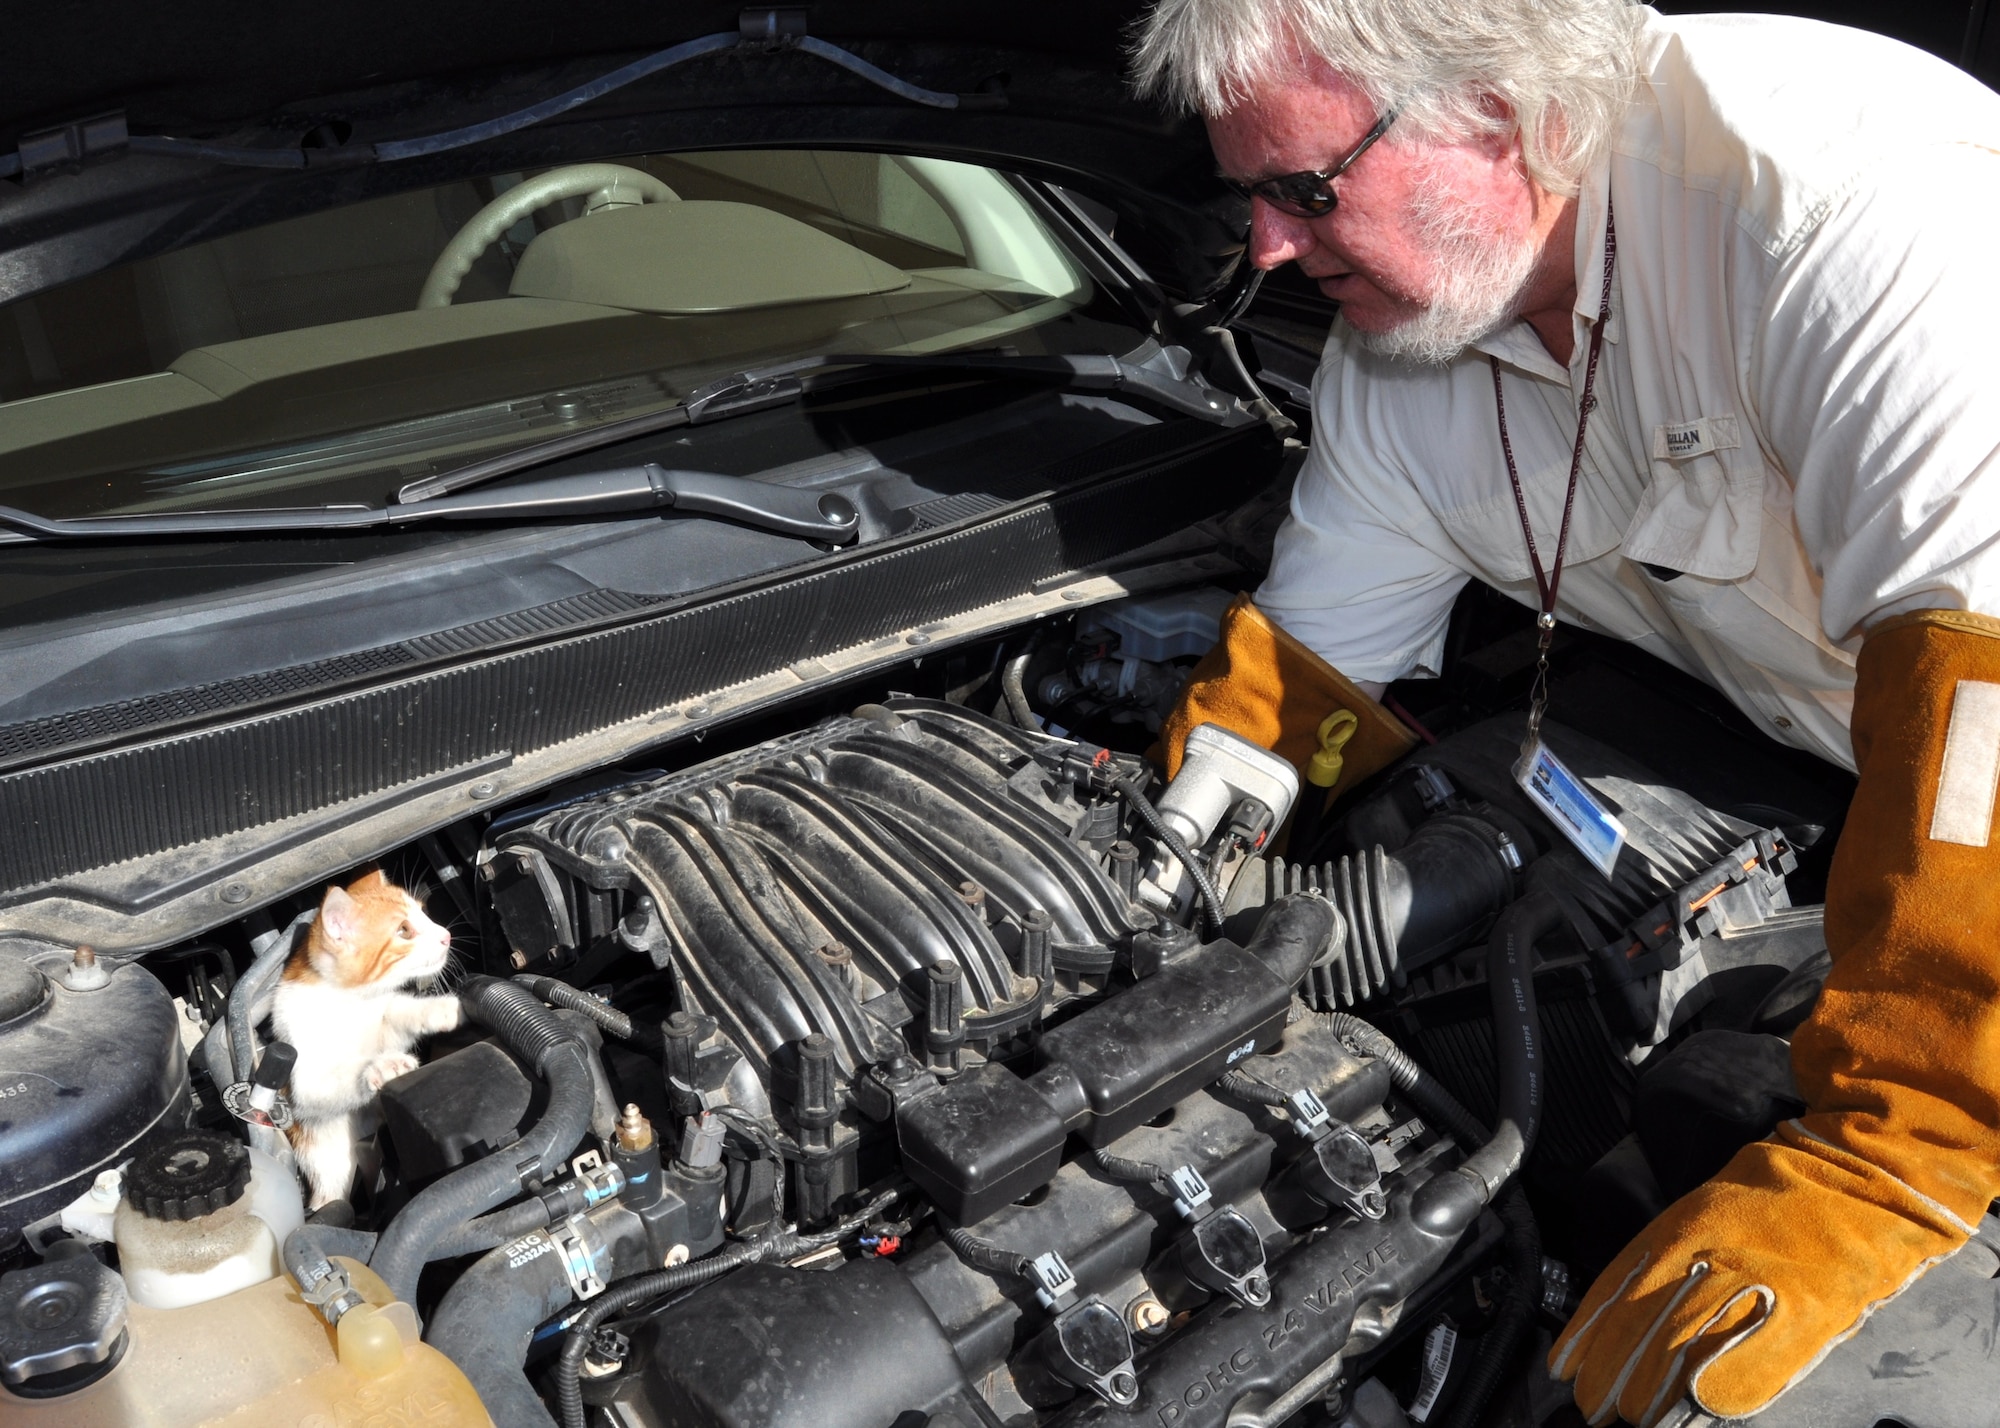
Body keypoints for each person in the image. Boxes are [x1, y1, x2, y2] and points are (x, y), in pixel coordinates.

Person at [1130, 0, 2000, 1422]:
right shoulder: (1402, 351)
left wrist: (1900, 1148)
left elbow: (1982, 741)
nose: (1269, 249)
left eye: (1301, 190)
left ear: (1501, 109)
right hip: (1841, 738)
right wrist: (1175, 852)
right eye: (1250, 199)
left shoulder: (1847, 212)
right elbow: (1309, 674)